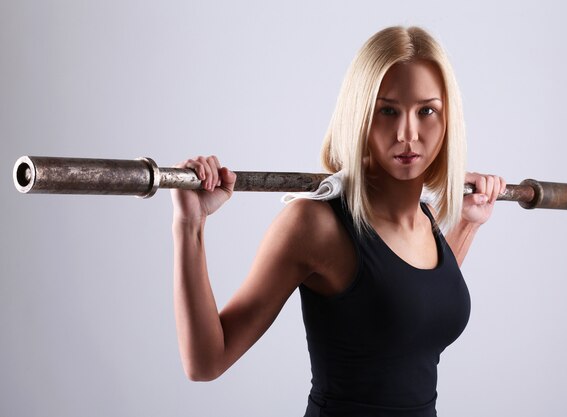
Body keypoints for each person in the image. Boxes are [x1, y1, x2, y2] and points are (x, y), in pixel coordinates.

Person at [170, 26, 505, 417]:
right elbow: (205, 362)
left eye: (426, 111)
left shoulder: (425, 220)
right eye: (388, 110)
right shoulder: (313, 225)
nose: (407, 133)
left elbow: (413, 306)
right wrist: (189, 225)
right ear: (360, 115)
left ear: (448, 120)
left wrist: (467, 224)